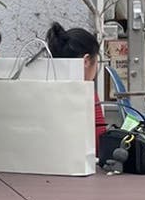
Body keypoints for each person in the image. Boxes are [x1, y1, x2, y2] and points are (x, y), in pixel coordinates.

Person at [45, 22, 107, 154]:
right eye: (97, 61)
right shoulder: (86, 92)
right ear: (86, 61)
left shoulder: (44, 86)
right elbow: (99, 142)